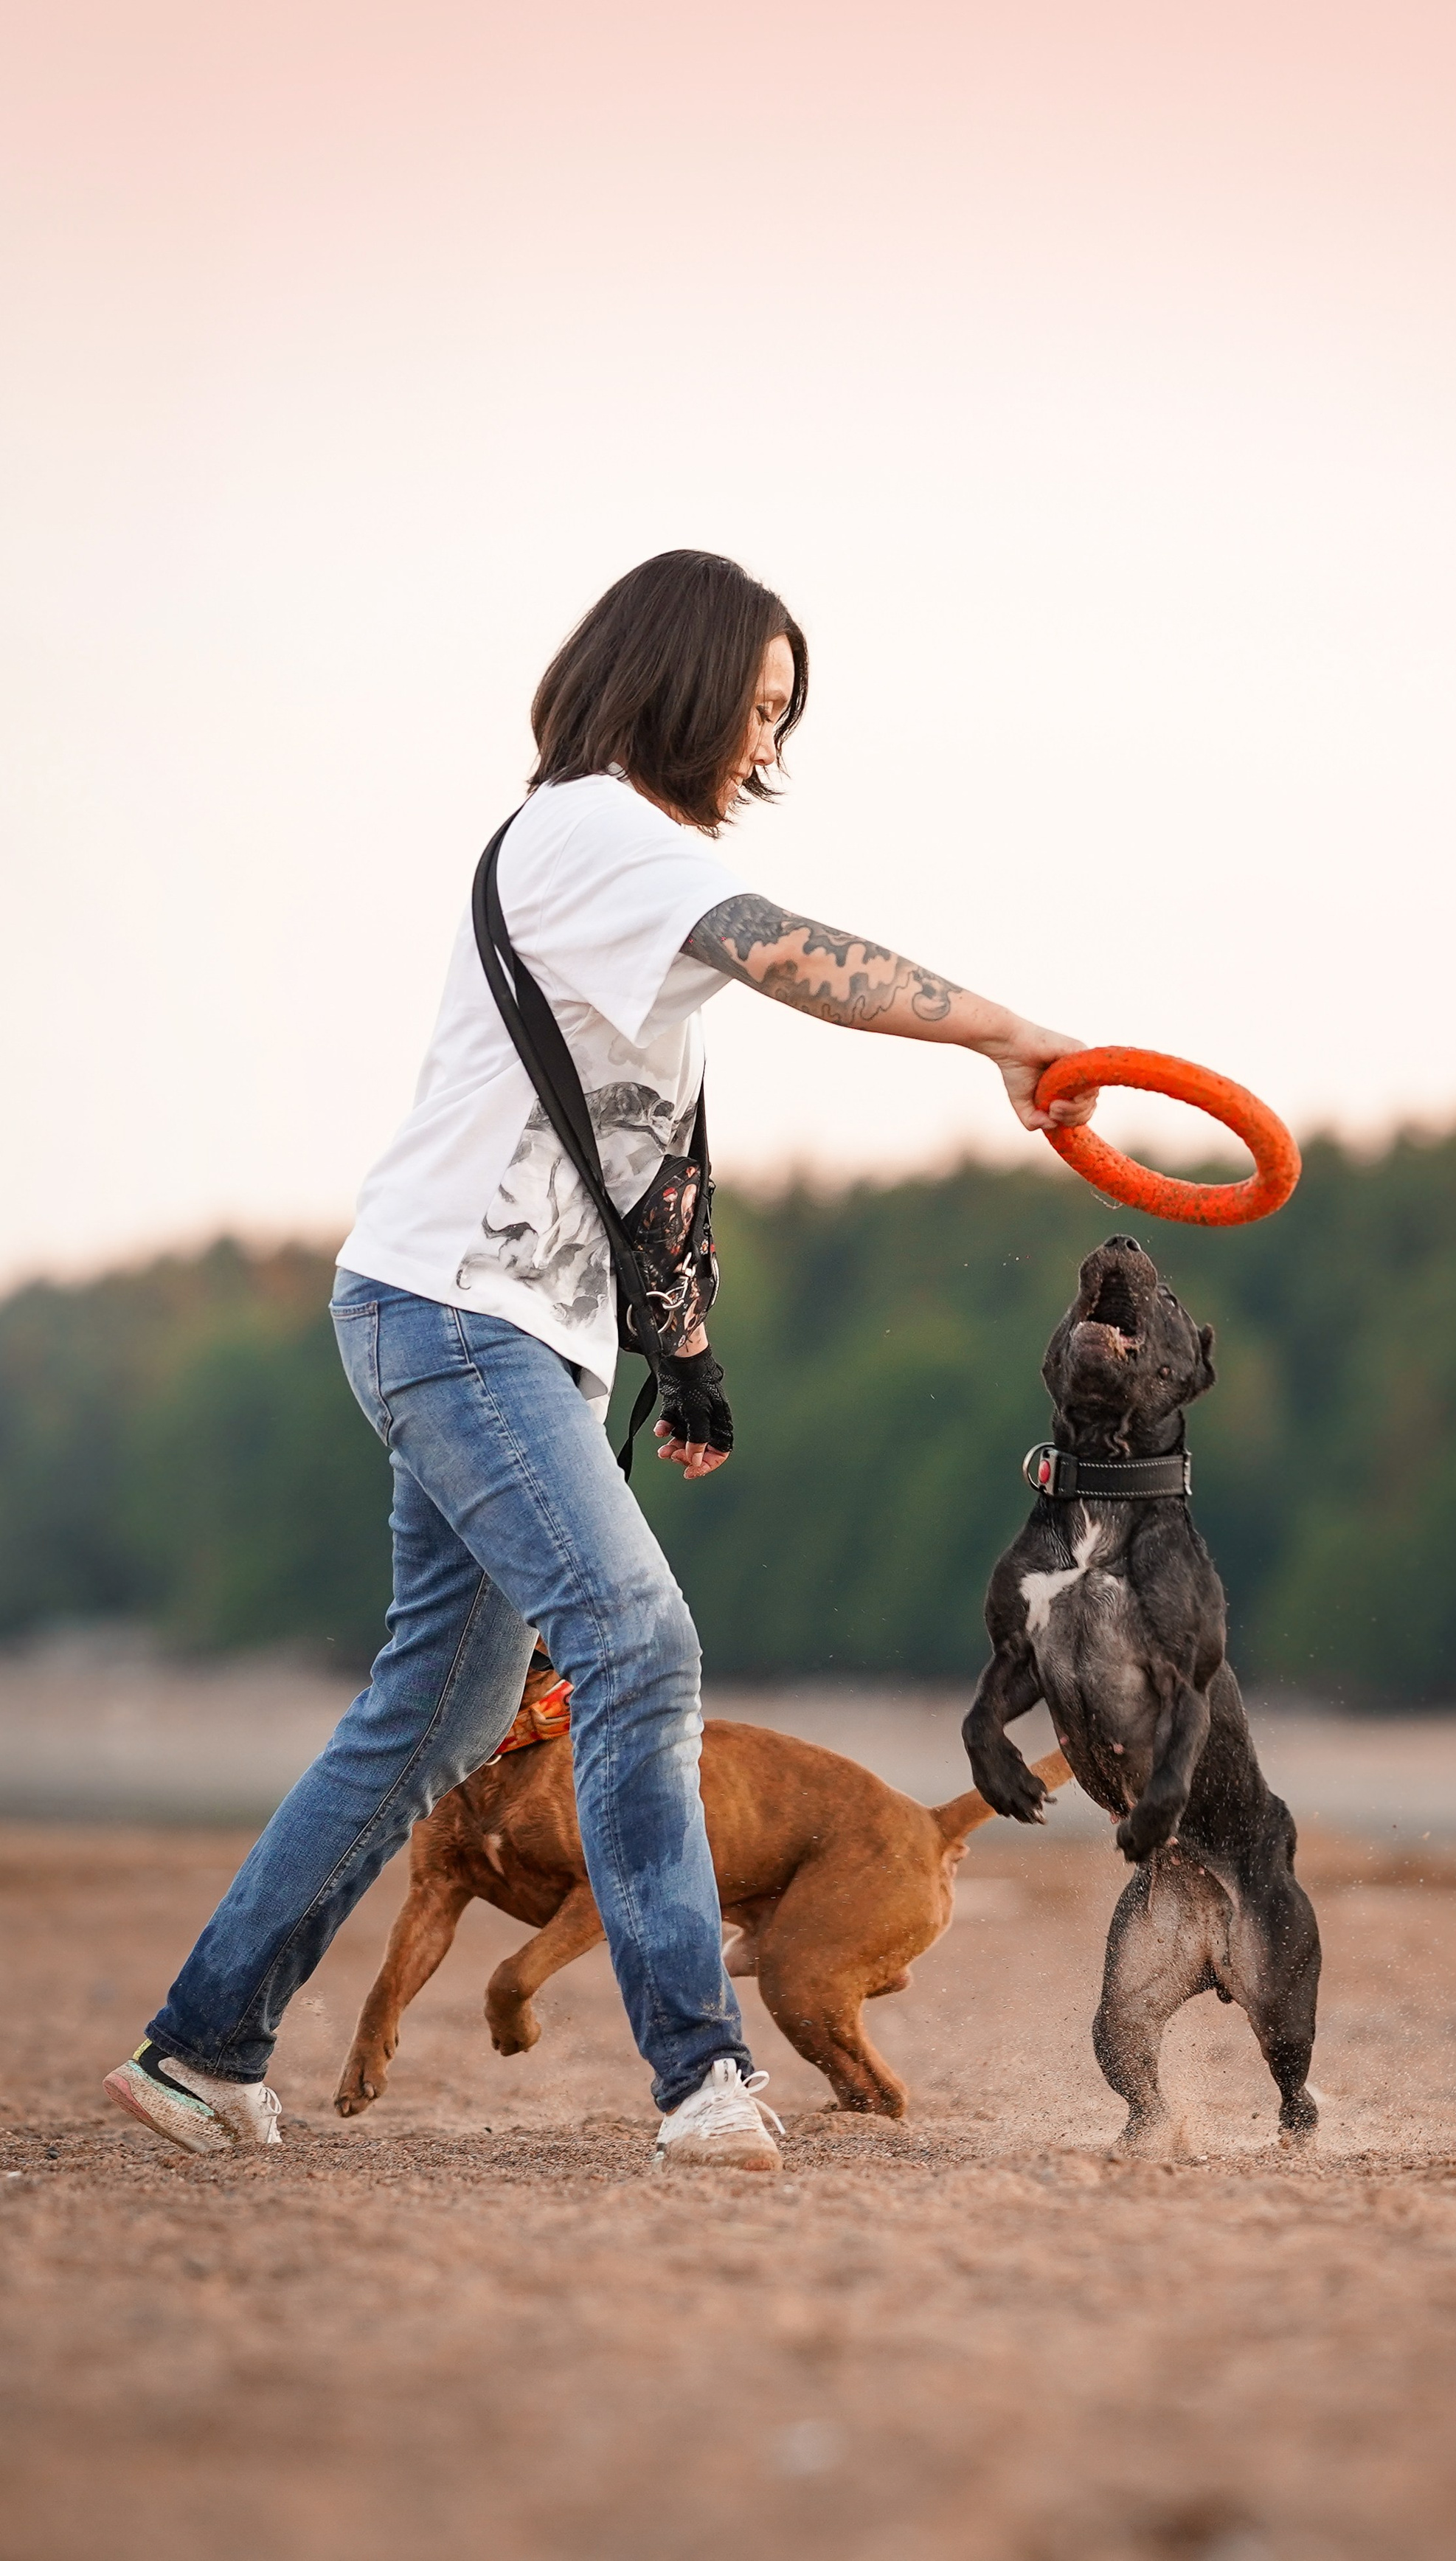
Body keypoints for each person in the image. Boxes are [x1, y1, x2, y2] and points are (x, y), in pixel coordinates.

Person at [105, 550, 1095, 2173]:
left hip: (511, 1333)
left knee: (436, 1711)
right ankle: (700, 2074)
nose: (765, 752)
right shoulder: (591, 831)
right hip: (455, 1318)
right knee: (640, 1646)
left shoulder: (622, 875)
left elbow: (637, 1153)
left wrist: (683, 1357)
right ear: (683, 684)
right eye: (755, 710)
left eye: (784, 719)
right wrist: (1003, 1028)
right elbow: (792, 950)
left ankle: (199, 2047)